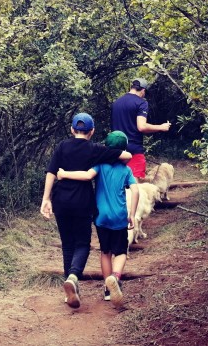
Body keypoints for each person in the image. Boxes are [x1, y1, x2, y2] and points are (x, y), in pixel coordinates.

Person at [40, 113, 132, 309]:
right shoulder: (94, 149)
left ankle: (70, 287)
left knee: (67, 245)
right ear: (92, 131)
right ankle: (73, 276)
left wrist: (46, 199)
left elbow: (51, 172)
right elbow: (127, 155)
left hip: (61, 201)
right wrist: (110, 152)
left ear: (72, 130)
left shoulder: (62, 146)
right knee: (82, 243)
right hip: (82, 202)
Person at [57, 131, 139, 308]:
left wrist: (64, 174)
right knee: (121, 252)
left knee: (105, 252)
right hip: (119, 217)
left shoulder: (100, 166)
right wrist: (132, 214)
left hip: (101, 216)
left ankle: (108, 291)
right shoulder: (126, 170)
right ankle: (115, 278)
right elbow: (135, 190)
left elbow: (86, 176)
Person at [111, 77, 171, 181]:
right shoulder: (141, 103)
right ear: (143, 90)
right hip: (134, 149)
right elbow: (141, 126)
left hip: (116, 149)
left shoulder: (116, 103)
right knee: (135, 184)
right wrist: (161, 127)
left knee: (119, 182)